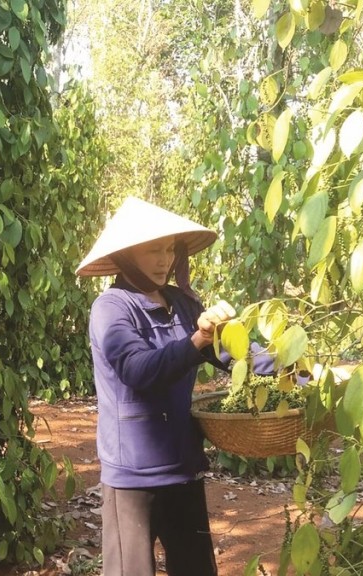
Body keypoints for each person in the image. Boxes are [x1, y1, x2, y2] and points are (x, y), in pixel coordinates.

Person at [75, 196, 275, 576]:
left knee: (197, 569)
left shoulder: (183, 304)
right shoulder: (112, 308)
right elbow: (139, 370)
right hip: (132, 477)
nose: (164, 259)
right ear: (128, 255)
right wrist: (197, 340)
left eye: (169, 249)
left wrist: (300, 370)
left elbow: (239, 356)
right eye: (153, 250)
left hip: (182, 467)